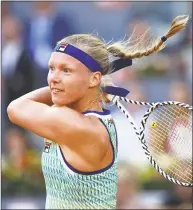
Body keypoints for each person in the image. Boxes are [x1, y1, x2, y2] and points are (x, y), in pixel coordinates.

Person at [7, 15, 188, 209]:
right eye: (52, 68)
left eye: (66, 70)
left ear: (94, 79)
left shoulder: (75, 124)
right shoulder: (81, 119)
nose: (53, 78)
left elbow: (15, 108)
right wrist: (86, 86)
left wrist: (83, 88)